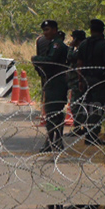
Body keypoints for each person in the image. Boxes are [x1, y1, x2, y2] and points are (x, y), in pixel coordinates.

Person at [76, 19, 105, 146]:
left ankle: (88, 132)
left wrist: (80, 80)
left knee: (88, 106)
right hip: (100, 81)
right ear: (102, 31)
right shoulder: (103, 45)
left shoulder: (83, 44)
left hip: (87, 79)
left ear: (91, 30)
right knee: (98, 107)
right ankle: (92, 135)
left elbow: (79, 64)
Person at [32, 20, 69, 152]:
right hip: (52, 81)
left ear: (54, 30)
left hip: (56, 82)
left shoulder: (57, 45)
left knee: (53, 112)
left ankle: (52, 140)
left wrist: (36, 59)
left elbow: (52, 61)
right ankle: (56, 140)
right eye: (44, 30)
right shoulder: (52, 43)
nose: (45, 33)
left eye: (47, 30)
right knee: (54, 112)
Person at [66, 30, 87, 136]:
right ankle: (80, 127)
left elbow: (69, 57)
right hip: (77, 80)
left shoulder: (80, 49)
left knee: (76, 105)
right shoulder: (82, 48)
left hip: (78, 81)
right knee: (78, 104)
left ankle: (79, 128)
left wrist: (70, 46)